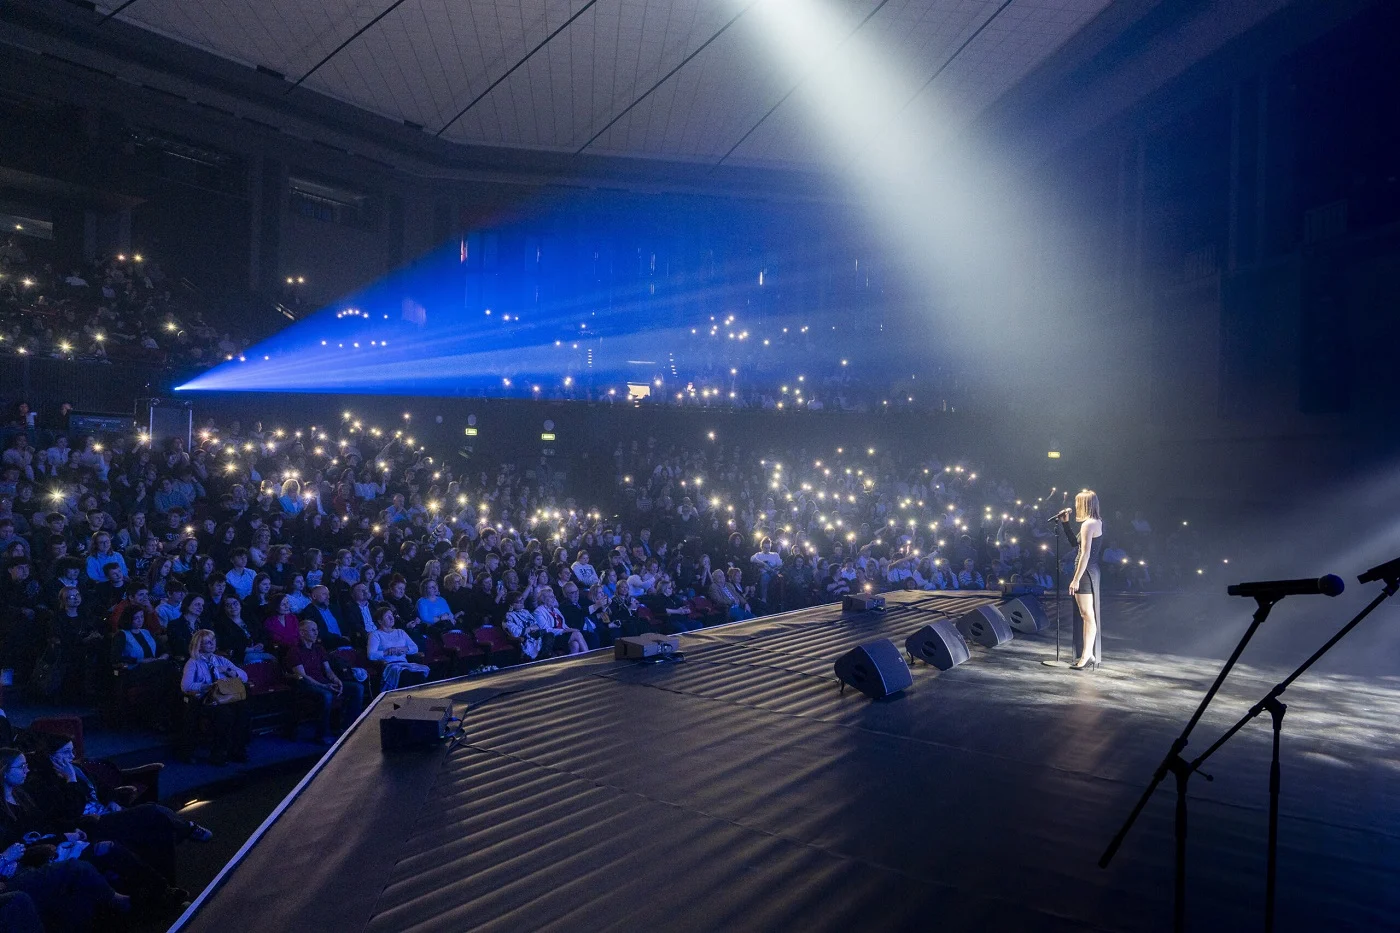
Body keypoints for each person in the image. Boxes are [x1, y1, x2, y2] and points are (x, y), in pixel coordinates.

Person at [178, 630, 251, 765]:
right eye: (207, 642)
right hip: (205, 700)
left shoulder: (220, 659)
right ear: (199, 645)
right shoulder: (193, 662)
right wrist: (207, 686)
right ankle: (219, 753)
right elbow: (186, 686)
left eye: (213, 640)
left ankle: (237, 749)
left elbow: (244, 676)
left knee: (243, 710)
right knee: (224, 714)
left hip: (224, 697)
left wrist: (228, 671)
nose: (212, 644)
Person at [285, 619, 364, 743]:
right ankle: (322, 734)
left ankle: (348, 726)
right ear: (302, 633)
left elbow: (328, 670)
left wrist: (336, 680)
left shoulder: (319, 649)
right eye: (312, 630)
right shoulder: (294, 651)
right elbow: (303, 676)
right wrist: (324, 686)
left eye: (316, 629)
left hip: (323, 682)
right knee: (326, 695)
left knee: (357, 687)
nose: (316, 633)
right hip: (306, 685)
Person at [1056, 490, 1103, 671]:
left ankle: (1086, 655)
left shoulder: (1088, 525)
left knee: (1087, 614)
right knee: (1086, 615)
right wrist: (1066, 525)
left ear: (1085, 504)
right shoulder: (1094, 522)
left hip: (1084, 572)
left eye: (1078, 503)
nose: (1075, 507)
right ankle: (1088, 653)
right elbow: (1076, 546)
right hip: (1090, 570)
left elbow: (1084, 553)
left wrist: (1075, 579)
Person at [365, 605, 429, 690]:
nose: (392, 618)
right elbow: (371, 655)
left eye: (392, 615)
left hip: (404, 663)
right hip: (389, 666)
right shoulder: (375, 634)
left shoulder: (400, 632)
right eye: (388, 617)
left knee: (419, 673)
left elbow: (415, 648)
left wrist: (404, 649)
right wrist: (387, 652)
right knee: (406, 674)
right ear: (380, 621)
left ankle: (423, 700)